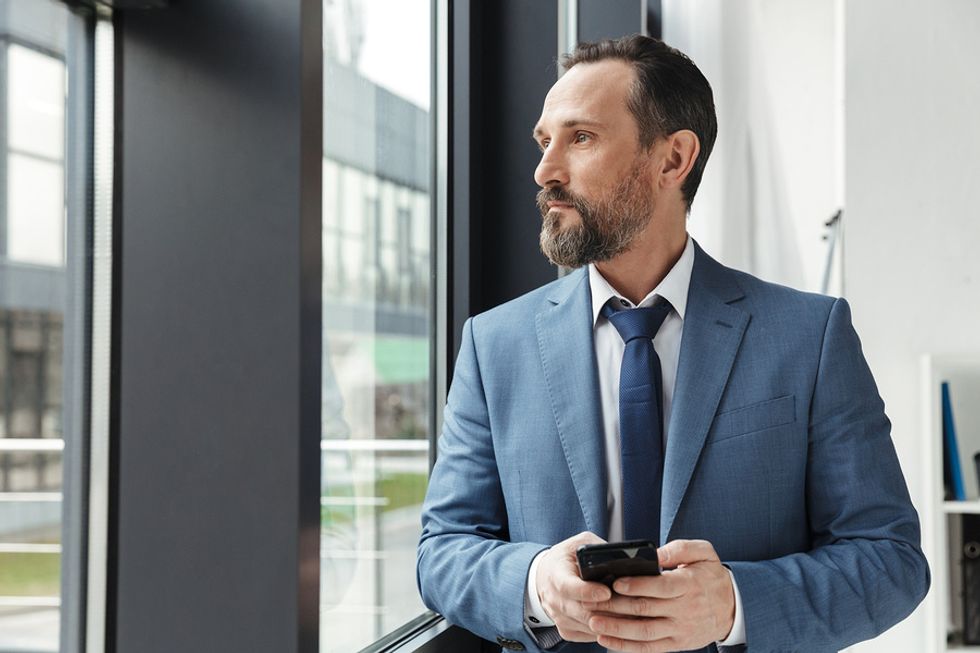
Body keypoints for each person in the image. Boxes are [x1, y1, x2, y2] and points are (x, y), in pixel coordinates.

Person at [416, 34, 929, 653]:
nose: (545, 170)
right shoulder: (492, 344)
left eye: (580, 138)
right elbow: (441, 550)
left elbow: (891, 559)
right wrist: (532, 584)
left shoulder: (809, 336)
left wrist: (734, 604)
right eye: (544, 141)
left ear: (672, 159)